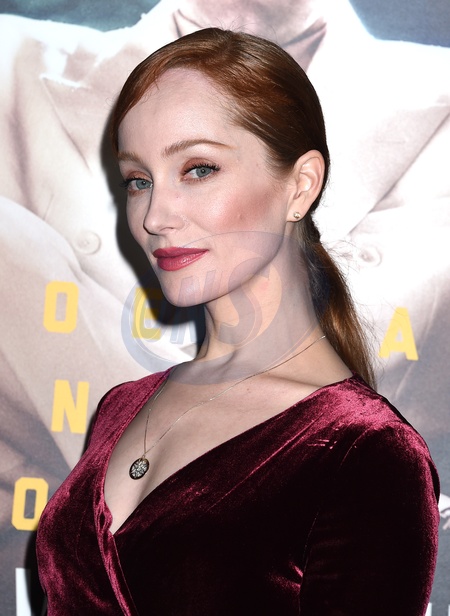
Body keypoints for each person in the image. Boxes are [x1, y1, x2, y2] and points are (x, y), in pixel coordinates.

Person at [36, 28, 439, 615]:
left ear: (300, 185)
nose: (154, 216)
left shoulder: (364, 451)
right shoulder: (120, 409)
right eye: (138, 181)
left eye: (198, 169)